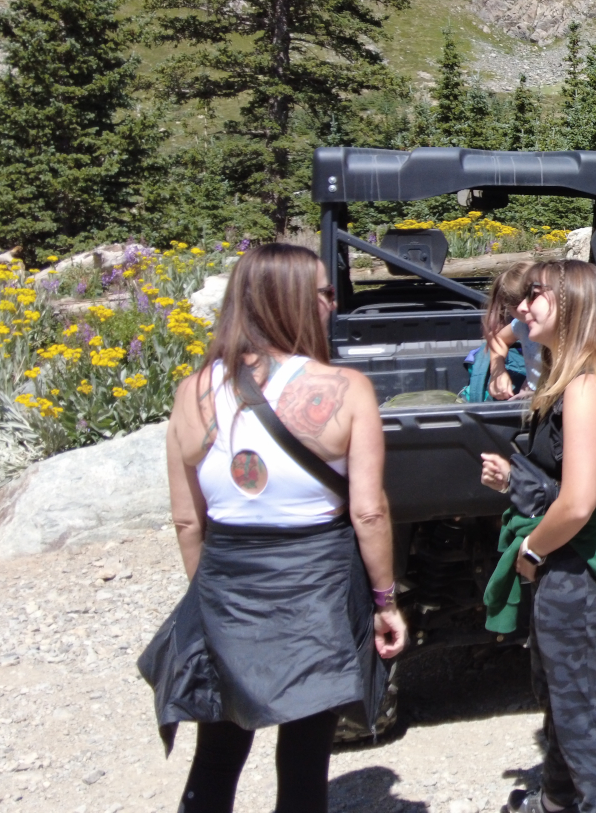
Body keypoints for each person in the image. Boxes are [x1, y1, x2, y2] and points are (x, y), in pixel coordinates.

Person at [140, 243, 407, 813]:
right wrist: (385, 600)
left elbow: (189, 518)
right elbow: (368, 511)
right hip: (316, 586)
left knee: (217, 751)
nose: (334, 303)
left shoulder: (192, 392)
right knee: (306, 754)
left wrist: (207, 598)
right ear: (290, 299)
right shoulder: (346, 390)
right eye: (324, 292)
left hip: (227, 582)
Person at [478, 259, 596, 813]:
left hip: (574, 575)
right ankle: (554, 802)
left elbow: (576, 503)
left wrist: (530, 550)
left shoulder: (584, 387)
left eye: (535, 297)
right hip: (577, 569)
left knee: (583, 721)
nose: (522, 309)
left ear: (571, 306)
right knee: (562, 702)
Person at [466, 261, 538, 401]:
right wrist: (497, 371)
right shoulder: (522, 325)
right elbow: (498, 339)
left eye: (533, 298)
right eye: (515, 305)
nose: (524, 309)